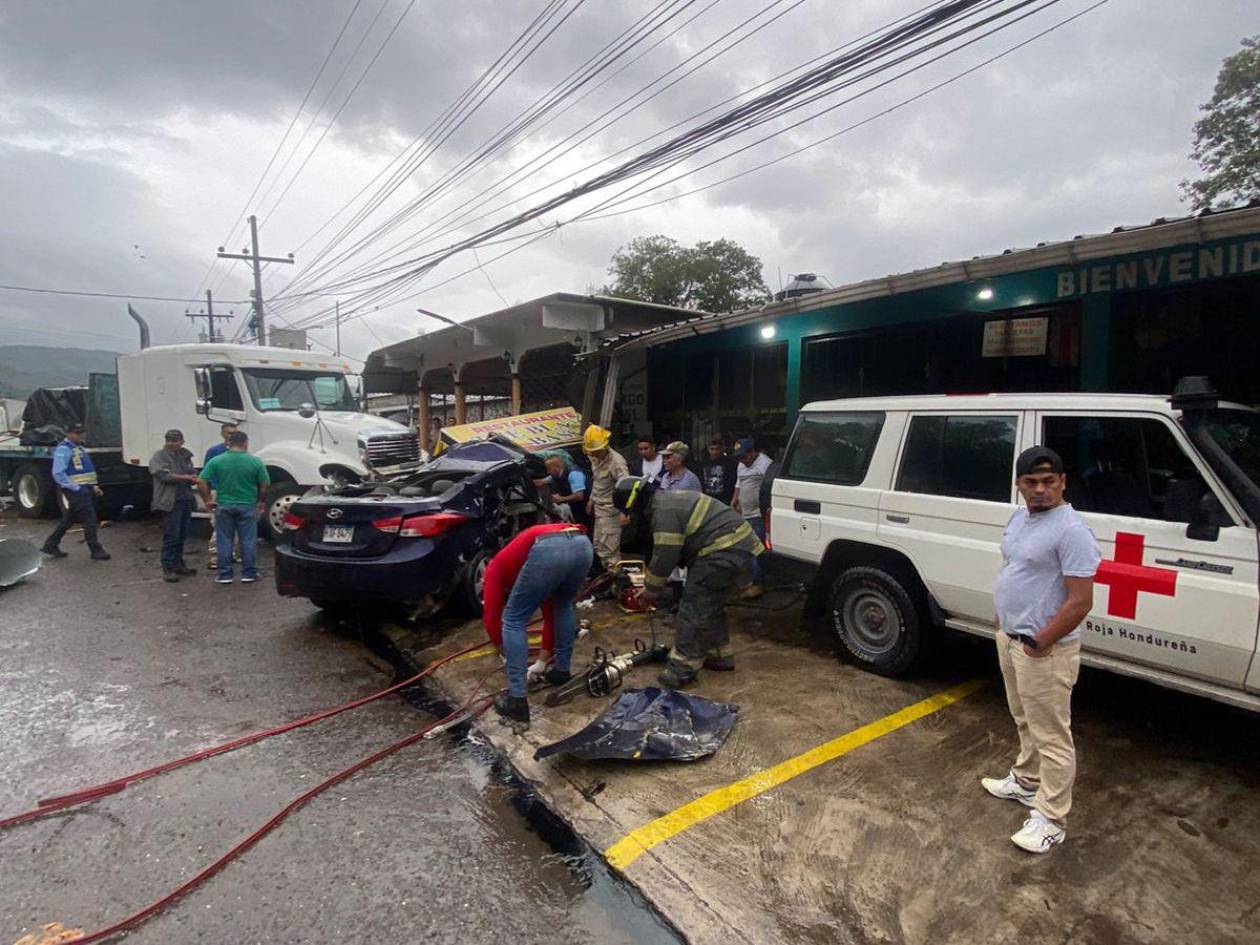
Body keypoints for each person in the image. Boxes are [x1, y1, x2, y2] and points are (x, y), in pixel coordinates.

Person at [982, 445, 1100, 855]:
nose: (1040, 489)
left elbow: (1080, 601)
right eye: (1031, 482)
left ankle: (1051, 818)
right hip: (1011, 639)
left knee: (1052, 736)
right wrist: (1003, 618)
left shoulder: (1072, 531)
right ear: (1018, 485)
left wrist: (1041, 640)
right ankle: (1026, 781)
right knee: (1023, 717)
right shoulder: (1019, 518)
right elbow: (1014, 568)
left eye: (1049, 481)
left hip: (1044, 651)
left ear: (1063, 483)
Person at [613, 476, 763, 688]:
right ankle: (720, 655)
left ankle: (682, 668)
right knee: (710, 605)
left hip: (723, 550)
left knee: (693, 606)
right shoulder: (666, 500)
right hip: (737, 548)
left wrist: (650, 590)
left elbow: (665, 554)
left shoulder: (662, 511)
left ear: (634, 503)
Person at [484, 523, 594, 728]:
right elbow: (549, 612)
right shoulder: (525, 565)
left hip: (549, 548)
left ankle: (517, 700)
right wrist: (543, 662)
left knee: (513, 618)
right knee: (562, 604)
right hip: (582, 543)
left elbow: (492, 617)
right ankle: (561, 671)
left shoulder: (494, 568)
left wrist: (504, 650)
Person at [196, 431, 270, 585]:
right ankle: (249, 573)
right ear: (245, 442)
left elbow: (201, 480)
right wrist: (261, 501)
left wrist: (208, 500)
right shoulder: (255, 462)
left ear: (229, 443)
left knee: (224, 540)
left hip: (224, 505)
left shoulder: (217, 460)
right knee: (248, 540)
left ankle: (225, 574)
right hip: (247, 505)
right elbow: (265, 484)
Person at [41, 423, 109, 561]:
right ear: (69, 434)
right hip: (76, 490)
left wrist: (94, 486)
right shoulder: (64, 450)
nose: (82, 435)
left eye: (82, 432)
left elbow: (86, 471)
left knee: (70, 518)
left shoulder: (79, 448)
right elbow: (58, 473)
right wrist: (76, 488)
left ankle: (50, 545)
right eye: (78, 433)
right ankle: (96, 550)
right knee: (90, 519)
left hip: (85, 488)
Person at [149, 429, 199, 582]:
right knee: (171, 535)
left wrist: (193, 476)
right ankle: (168, 567)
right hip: (169, 502)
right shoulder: (159, 456)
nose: (171, 443)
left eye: (175, 440)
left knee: (182, 534)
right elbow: (163, 475)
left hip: (185, 499)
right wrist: (186, 477)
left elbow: (192, 471)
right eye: (169, 440)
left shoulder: (184, 455)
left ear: (182, 441)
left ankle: (178, 564)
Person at [583, 424, 629, 571]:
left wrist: (624, 511)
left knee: (609, 550)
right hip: (599, 508)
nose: (593, 454)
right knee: (598, 546)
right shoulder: (594, 457)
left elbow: (626, 488)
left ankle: (617, 583)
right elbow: (598, 480)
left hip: (611, 511)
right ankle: (609, 580)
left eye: (596, 451)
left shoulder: (617, 463)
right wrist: (592, 499)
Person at [731, 437, 772, 599]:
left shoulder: (765, 464)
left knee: (757, 549)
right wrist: (733, 503)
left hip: (758, 514)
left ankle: (758, 584)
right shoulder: (741, 464)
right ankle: (755, 580)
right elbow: (738, 485)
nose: (742, 460)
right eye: (739, 457)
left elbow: (769, 488)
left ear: (753, 451)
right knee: (749, 549)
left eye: (744, 456)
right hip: (745, 513)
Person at [203, 423, 238, 571]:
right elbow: (206, 474)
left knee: (235, 525)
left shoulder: (240, 452)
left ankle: (231, 553)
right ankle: (215, 557)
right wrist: (211, 493)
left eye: (234, 433)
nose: (231, 436)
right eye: (229, 433)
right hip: (219, 491)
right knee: (219, 525)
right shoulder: (214, 451)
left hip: (235, 492)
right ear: (222, 434)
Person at [543, 455, 589, 528]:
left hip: (587, 509)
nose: (547, 471)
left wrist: (560, 499)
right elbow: (542, 482)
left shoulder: (574, 474)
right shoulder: (556, 476)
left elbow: (579, 496)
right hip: (576, 510)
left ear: (557, 467)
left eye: (549, 469)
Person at [701, 437, 737, 505]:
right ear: (708, 449)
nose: (714, 452)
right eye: (712, 449)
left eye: (717, 449)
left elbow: (733, 481)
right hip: (708, 499)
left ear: (722, 448)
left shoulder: (730, 463)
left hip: (725, 499)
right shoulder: (704, 463)